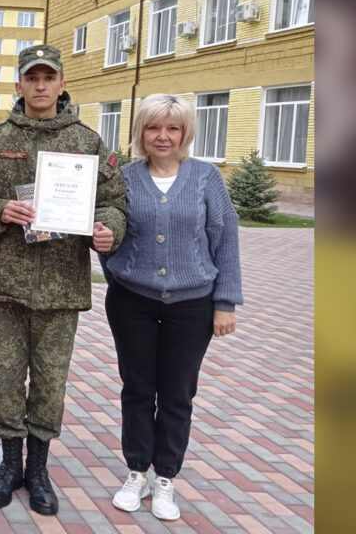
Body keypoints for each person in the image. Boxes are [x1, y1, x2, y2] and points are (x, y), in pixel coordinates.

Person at [0, 44, 127, 516]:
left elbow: (114, 201)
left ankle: (38, 469)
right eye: (31, 77)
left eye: (48, 77)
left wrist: (108, 229)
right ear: (18, 85)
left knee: (51, 383)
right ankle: (8, 465)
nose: (40, 85)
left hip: (61, 286)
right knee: (7, 378)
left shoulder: (88, 142)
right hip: (8, 285)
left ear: (61, 84)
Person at [100, 93, 241, 521]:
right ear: (141, 132)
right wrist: (118, 271)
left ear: (185, 133)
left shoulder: (205, 178)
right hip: (132, 303)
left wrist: (225, 302)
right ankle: (136, 471)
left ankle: (165, 479)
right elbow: (110, 233)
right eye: (153, 128)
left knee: (178, 394)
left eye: (173, 128)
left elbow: (225, 237)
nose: (163, 136)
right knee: (138, 388)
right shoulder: (123, 177)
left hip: (191, 305)